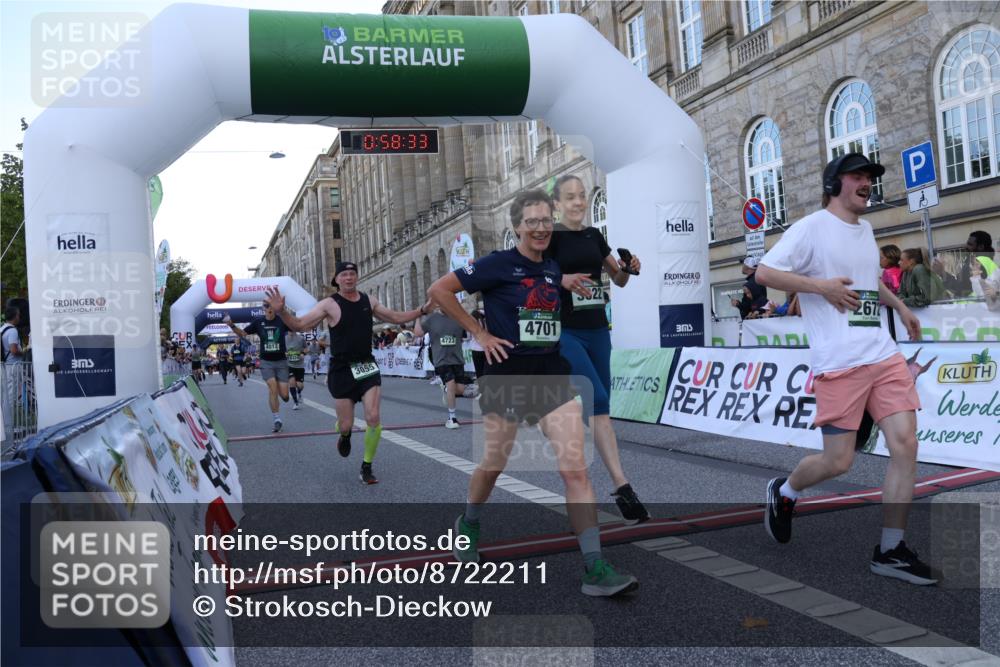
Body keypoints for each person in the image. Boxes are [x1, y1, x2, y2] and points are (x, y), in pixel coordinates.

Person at [428, 189, 638, 597]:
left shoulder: (552, 266)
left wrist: (576, 279)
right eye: (532, 222)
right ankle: (468, 522)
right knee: (493, 464)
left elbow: (549, 279)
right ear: (517, 227)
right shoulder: (495, 264)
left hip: (552, 376)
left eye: (546, 221)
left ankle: (594, 568)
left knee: (575, 470)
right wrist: (480, 333)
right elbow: (440, 290)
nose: (541, 228)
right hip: (507, 377)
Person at [756, 152, 935, 585]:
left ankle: (890, 549)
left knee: (905, 443)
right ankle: (786, 491)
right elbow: (763, 272)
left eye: (870, 177)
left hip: (882, 353)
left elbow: (868, 281)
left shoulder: (867, 229)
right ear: (834, 183)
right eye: (857, 176)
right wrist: (818, 286)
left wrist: (902, 307)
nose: (867, 183)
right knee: (839, 461)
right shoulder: (811, 228)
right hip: (839, 362)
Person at [264, 262, 430, 485]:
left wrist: (421, 311)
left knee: (373, 416)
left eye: (353, 274)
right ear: (337, 279)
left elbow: (395, 318)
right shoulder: (329, 304)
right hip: (341, 369)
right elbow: (300, 324)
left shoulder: (368, 301)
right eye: (344, 274)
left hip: (366, 365)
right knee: (346, 425)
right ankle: (344, 434)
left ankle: (367, 466)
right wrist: (282, 310)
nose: (349, 278)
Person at [546, 174, 648, 524]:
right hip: (566, 330)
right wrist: (562, 279)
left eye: (582, 196)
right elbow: (535, 277)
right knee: (599, 399)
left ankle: (613, 482)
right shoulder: (551, 238)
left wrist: (628, 269)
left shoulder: (594, 235)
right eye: (570, 197)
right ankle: (623, 484)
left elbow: (615, 280)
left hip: (597, 329)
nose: (578, 202)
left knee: (599, 406)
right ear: (557, 203)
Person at [225, 302, 291, 433]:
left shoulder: (282, 320)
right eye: (266, 307)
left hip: (281, 361)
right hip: (266, 361)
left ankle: (280, 390)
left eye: (271, 306)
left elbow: (298, 325)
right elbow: (243, 333)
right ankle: (277, 419)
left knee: (285, 396)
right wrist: (231, 325)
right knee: (272, 388)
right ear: (263, 309)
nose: (269, 309)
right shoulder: (258, 322)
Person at [414, 307, 470, 429]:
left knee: (460, 390)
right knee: (450, 384)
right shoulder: (432, 318)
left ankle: (446, 390)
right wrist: (418, 317)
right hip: (441, 359)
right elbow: (418, 334)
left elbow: (467, 334)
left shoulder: (458, 316)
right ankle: (452, 418)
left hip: (457, 358)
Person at [931, 230, 995, 297]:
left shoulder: (975, 263)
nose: (966, 247)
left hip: (972, 306)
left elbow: (960, 289)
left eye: (970, 244)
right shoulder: (990, 262)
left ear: (981, 247)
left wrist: (942, 273)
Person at [286, 330, 306, 410]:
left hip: (299, 365)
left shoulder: (301, 338)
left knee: (300, 385)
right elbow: (281, 348)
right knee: (292, 383)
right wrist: (284, 353)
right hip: (289, 365)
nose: (290, 331)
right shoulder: (284, 339)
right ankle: (295, 402)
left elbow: (306, 349)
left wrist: (303, 354)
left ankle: (299, 393)